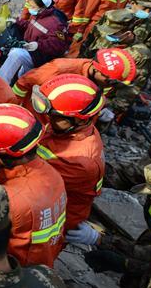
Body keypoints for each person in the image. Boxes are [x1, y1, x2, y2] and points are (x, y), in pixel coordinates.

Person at [0, 105, 68, 268]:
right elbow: (2, 174)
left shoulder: (11, 201)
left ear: (1, 156)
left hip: (12, 268)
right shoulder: (49, 173)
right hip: (40, 260)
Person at [30, 74, 105, 233]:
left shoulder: (81, 162)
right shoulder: (64, 127)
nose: (48, 118)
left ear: (79, 120)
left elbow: (32, 181)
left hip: (54, 218)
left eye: (55, 115)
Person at [12, 47, 137, 109]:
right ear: (96, 69)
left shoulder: (102, 81)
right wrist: (15, 106)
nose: (110, 86)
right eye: (109, 81)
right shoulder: (60, 68)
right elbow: (24, 82)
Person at [0, 0, 69, 83]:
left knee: (16, 54)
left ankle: (0, 82)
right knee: (21, 76)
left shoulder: (56, 24)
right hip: (29, 49)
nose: (30, 8)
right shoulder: (38, 15)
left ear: (43, 7)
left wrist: (38, 45)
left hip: (39, 57)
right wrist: (16, 21)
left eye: (33, 6)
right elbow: (30, 26)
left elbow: (58, 46)